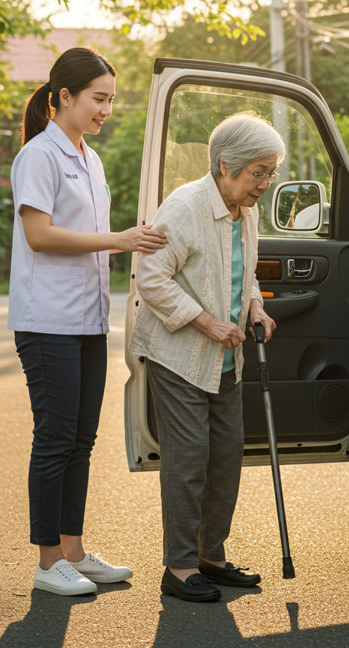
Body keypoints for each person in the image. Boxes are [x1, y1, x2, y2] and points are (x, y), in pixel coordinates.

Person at [8, 47, 167, 596]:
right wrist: (120, 240)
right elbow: (41, 235)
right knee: (54, 439)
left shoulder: (90, 159)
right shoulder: (39, 156)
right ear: (64, 97)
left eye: (111, 101)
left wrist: (132, 238)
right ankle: (48, 559)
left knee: (80, 440)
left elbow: (85, 237)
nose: (106, 110)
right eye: (99, 99)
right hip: (46, 320)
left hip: (86, 321)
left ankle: (73, 551)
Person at [130, 111, 284, 602]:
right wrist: (208, 322)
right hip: (179, 356)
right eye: (257, 172)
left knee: (225, 460)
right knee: (189, 460)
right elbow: (150, 277)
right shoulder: (186, 205)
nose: (264, 183)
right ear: (225, 165)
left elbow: (244, 273)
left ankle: (210, 559)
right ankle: (177, 568)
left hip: (226, 360)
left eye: (270, 172)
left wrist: (255, 306)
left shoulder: (247, 210)